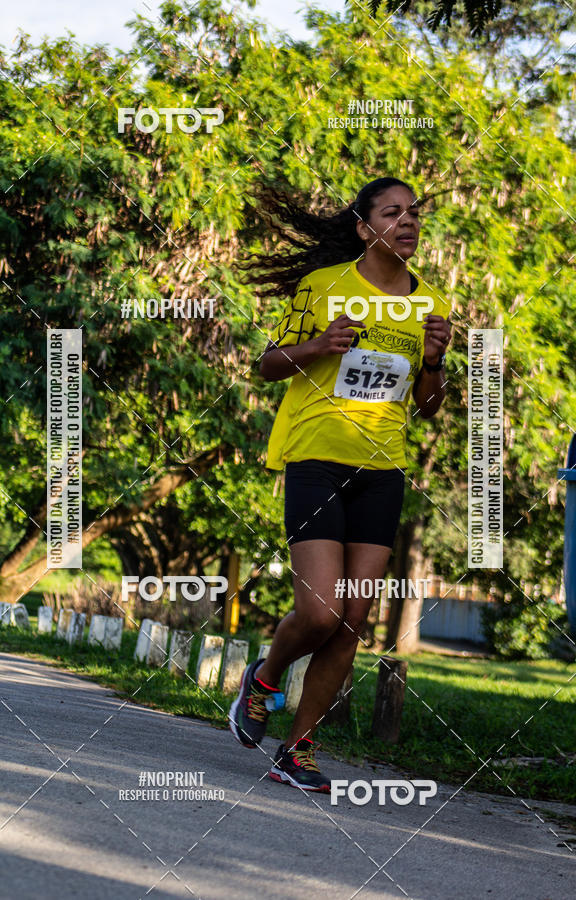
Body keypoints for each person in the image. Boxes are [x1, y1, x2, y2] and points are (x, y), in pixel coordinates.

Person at [229, 177, 452, 792]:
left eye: (413, 215)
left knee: (353, 618)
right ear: (363, 228)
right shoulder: (322, 286)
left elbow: (427, 406)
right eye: (392, 213)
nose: (407, 223)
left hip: (382, 469)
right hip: (316, 458)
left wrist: (434, 361)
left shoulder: (430, 302)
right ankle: (266, 678)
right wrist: (321, 344)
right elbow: (268, 363)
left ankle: (296, 751)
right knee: (320, 610)